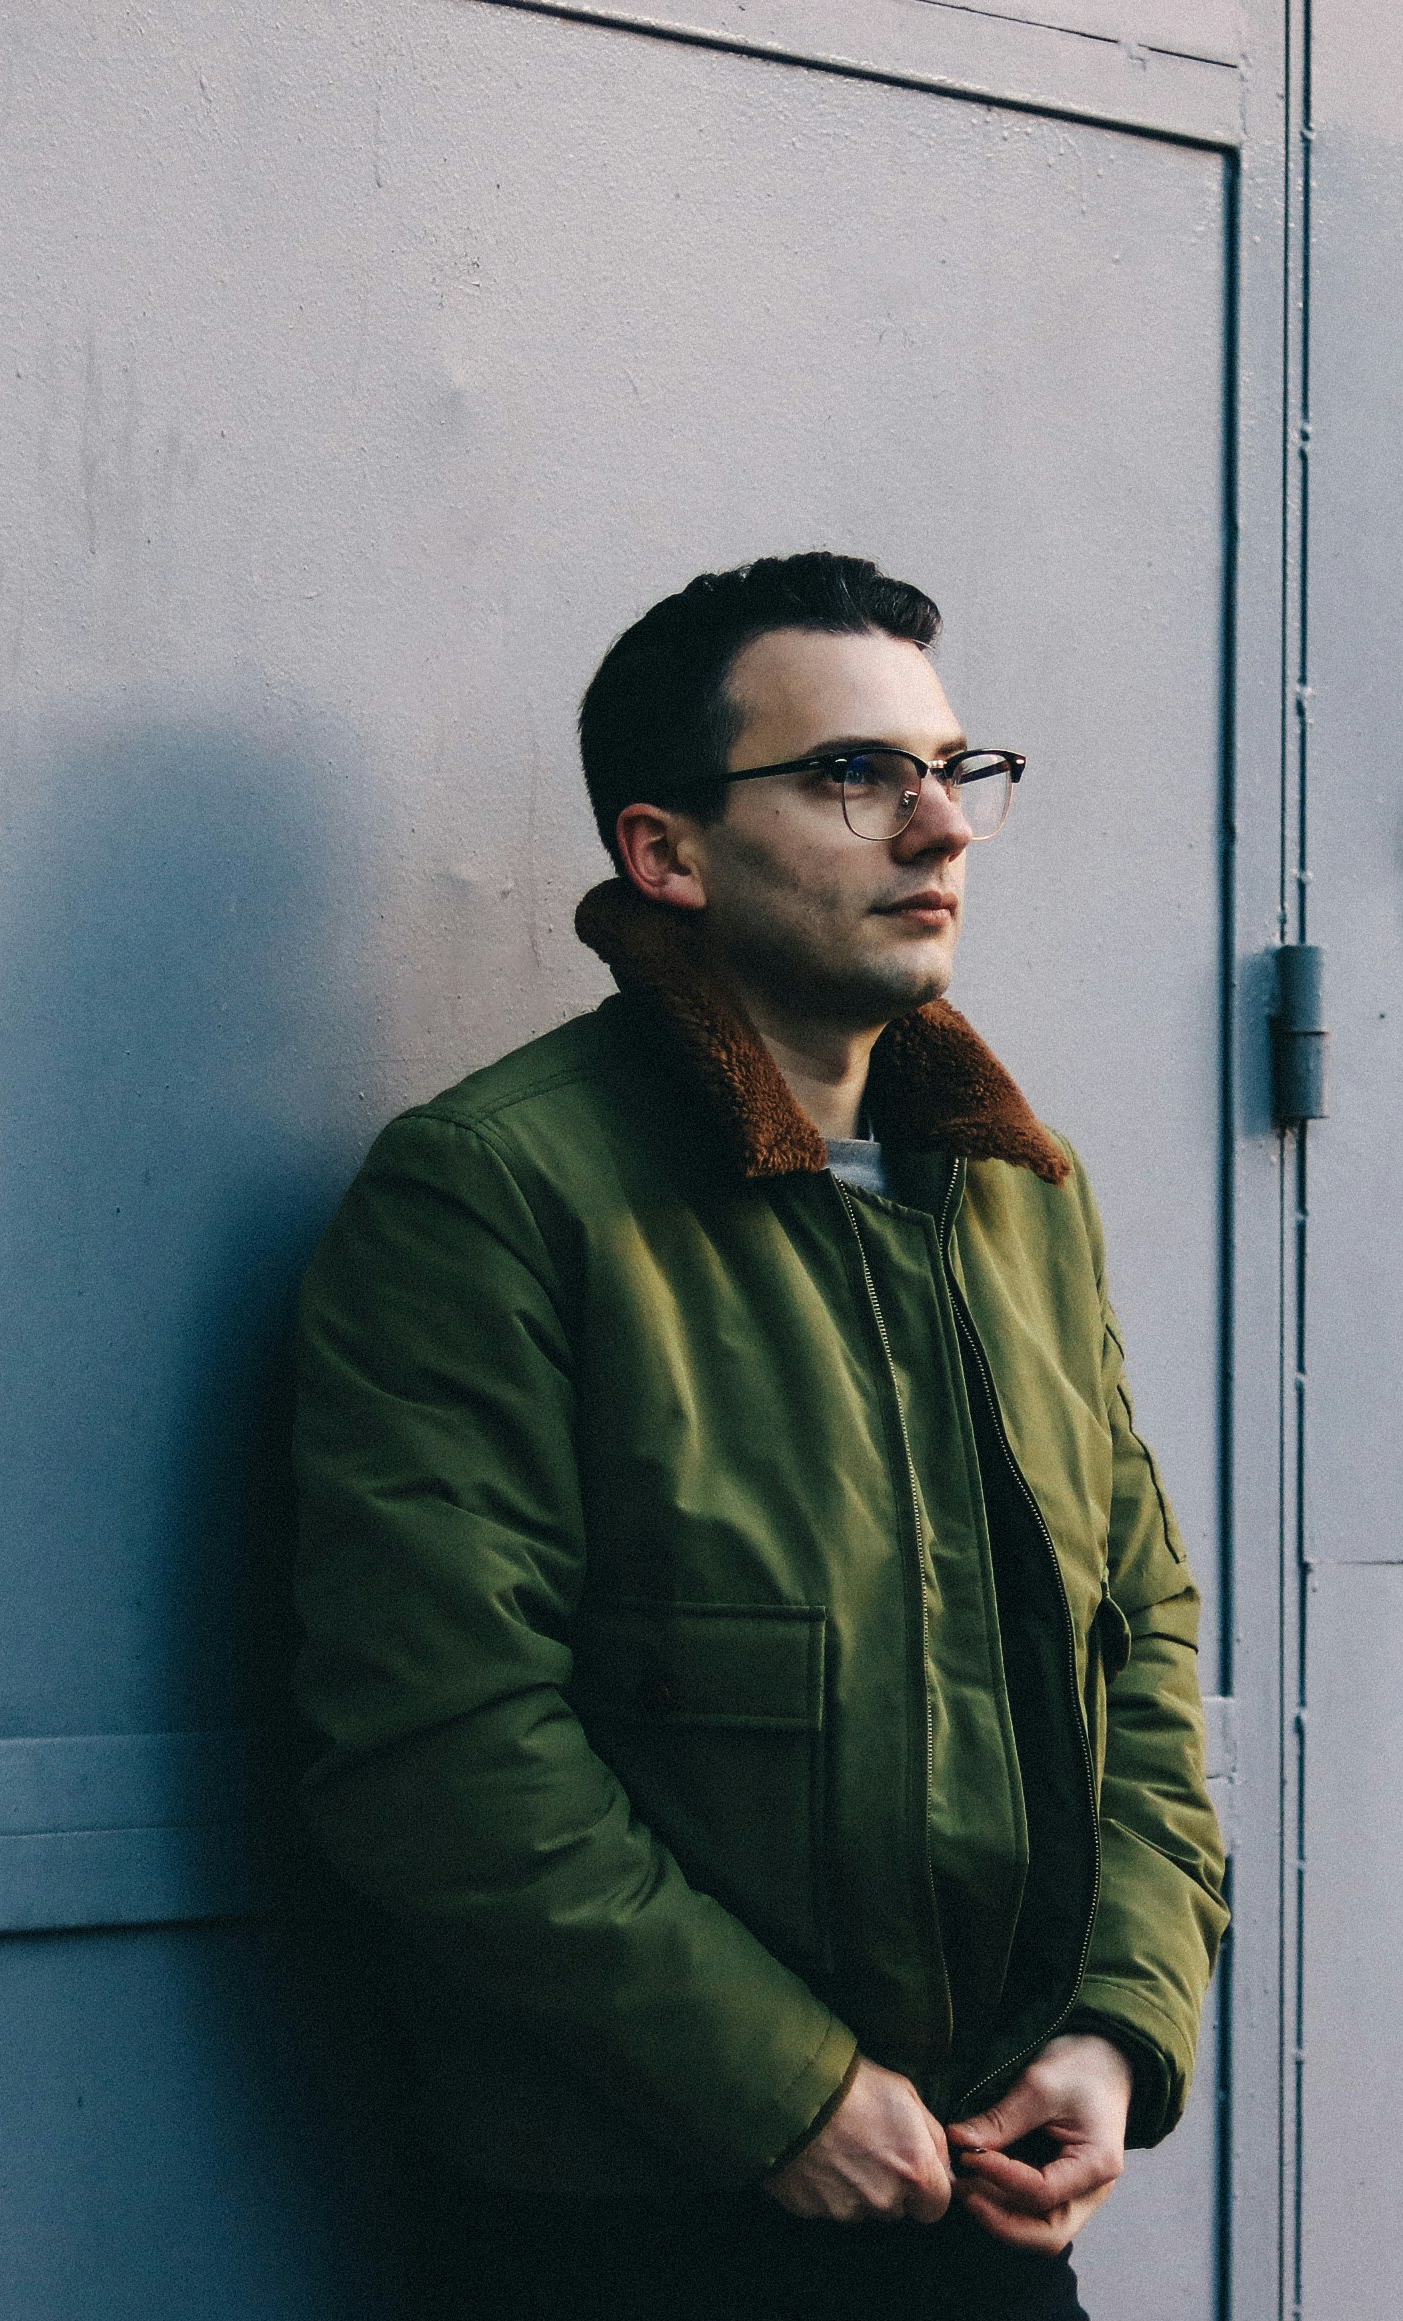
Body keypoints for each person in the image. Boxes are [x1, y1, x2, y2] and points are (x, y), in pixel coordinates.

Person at [290, 552, 1227, 2319]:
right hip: (638, 2216)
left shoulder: (1015, 1194)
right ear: (667, 852)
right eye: (854, 773)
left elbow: (1144, 1637)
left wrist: (1119, 2022)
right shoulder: (496, 1191)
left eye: (957, 773)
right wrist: (781, 2087)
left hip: (981, 2188)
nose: (937, 829)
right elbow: (438, 1737)